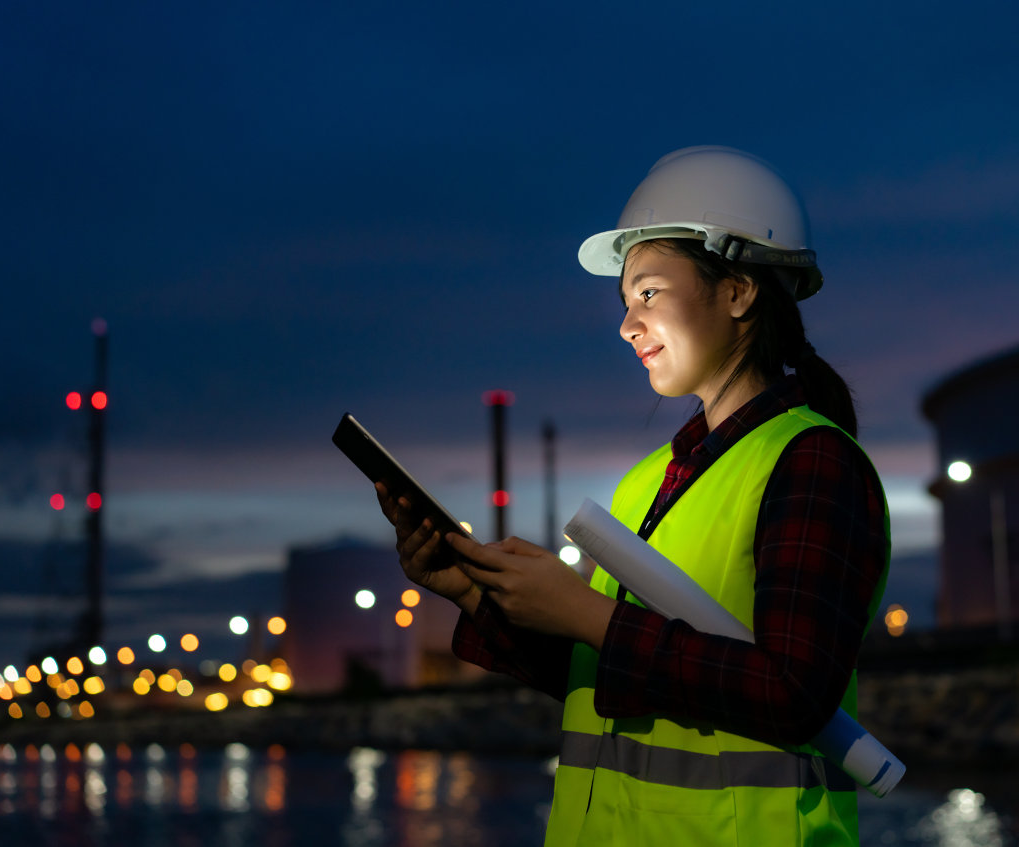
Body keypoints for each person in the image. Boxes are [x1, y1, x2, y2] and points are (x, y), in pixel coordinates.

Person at [375, 146, 890, 846]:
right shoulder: (649, 480)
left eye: (648, 293)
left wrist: (588, 612)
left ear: (738, 291)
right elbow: (607, 678)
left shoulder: (812, 461)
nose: (627, 324)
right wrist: (471, 591)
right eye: (625, 302)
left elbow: (794, 692)